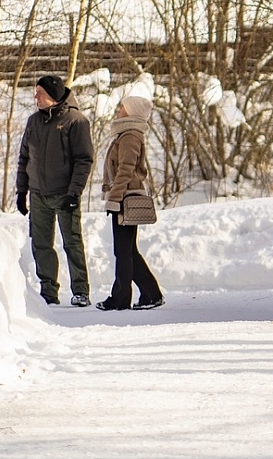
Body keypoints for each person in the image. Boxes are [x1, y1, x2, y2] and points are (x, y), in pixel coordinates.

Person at [16, 75, 95, 307]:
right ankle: (48, 291)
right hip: (38, 193)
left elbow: (84, 160)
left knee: (72, 242)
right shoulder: (33, 122)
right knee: (41, 244)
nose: (35, 96)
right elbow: (24, 157)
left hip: (65, 193)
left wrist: (74, 193)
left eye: (39, 92)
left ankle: (81, 290)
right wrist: (21, 191)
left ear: (52, 95)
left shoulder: (75, 121)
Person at [97, 95, 164, 311]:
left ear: (132, 111)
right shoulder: (125, 134)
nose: (118, 109)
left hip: (126, 198)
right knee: (127, 251)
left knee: (124, 251)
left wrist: (114, 198)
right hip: (123, 196)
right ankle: (151, 294)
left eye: (123, 107)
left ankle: (121, 298)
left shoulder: (130, 136)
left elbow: (125, 170)